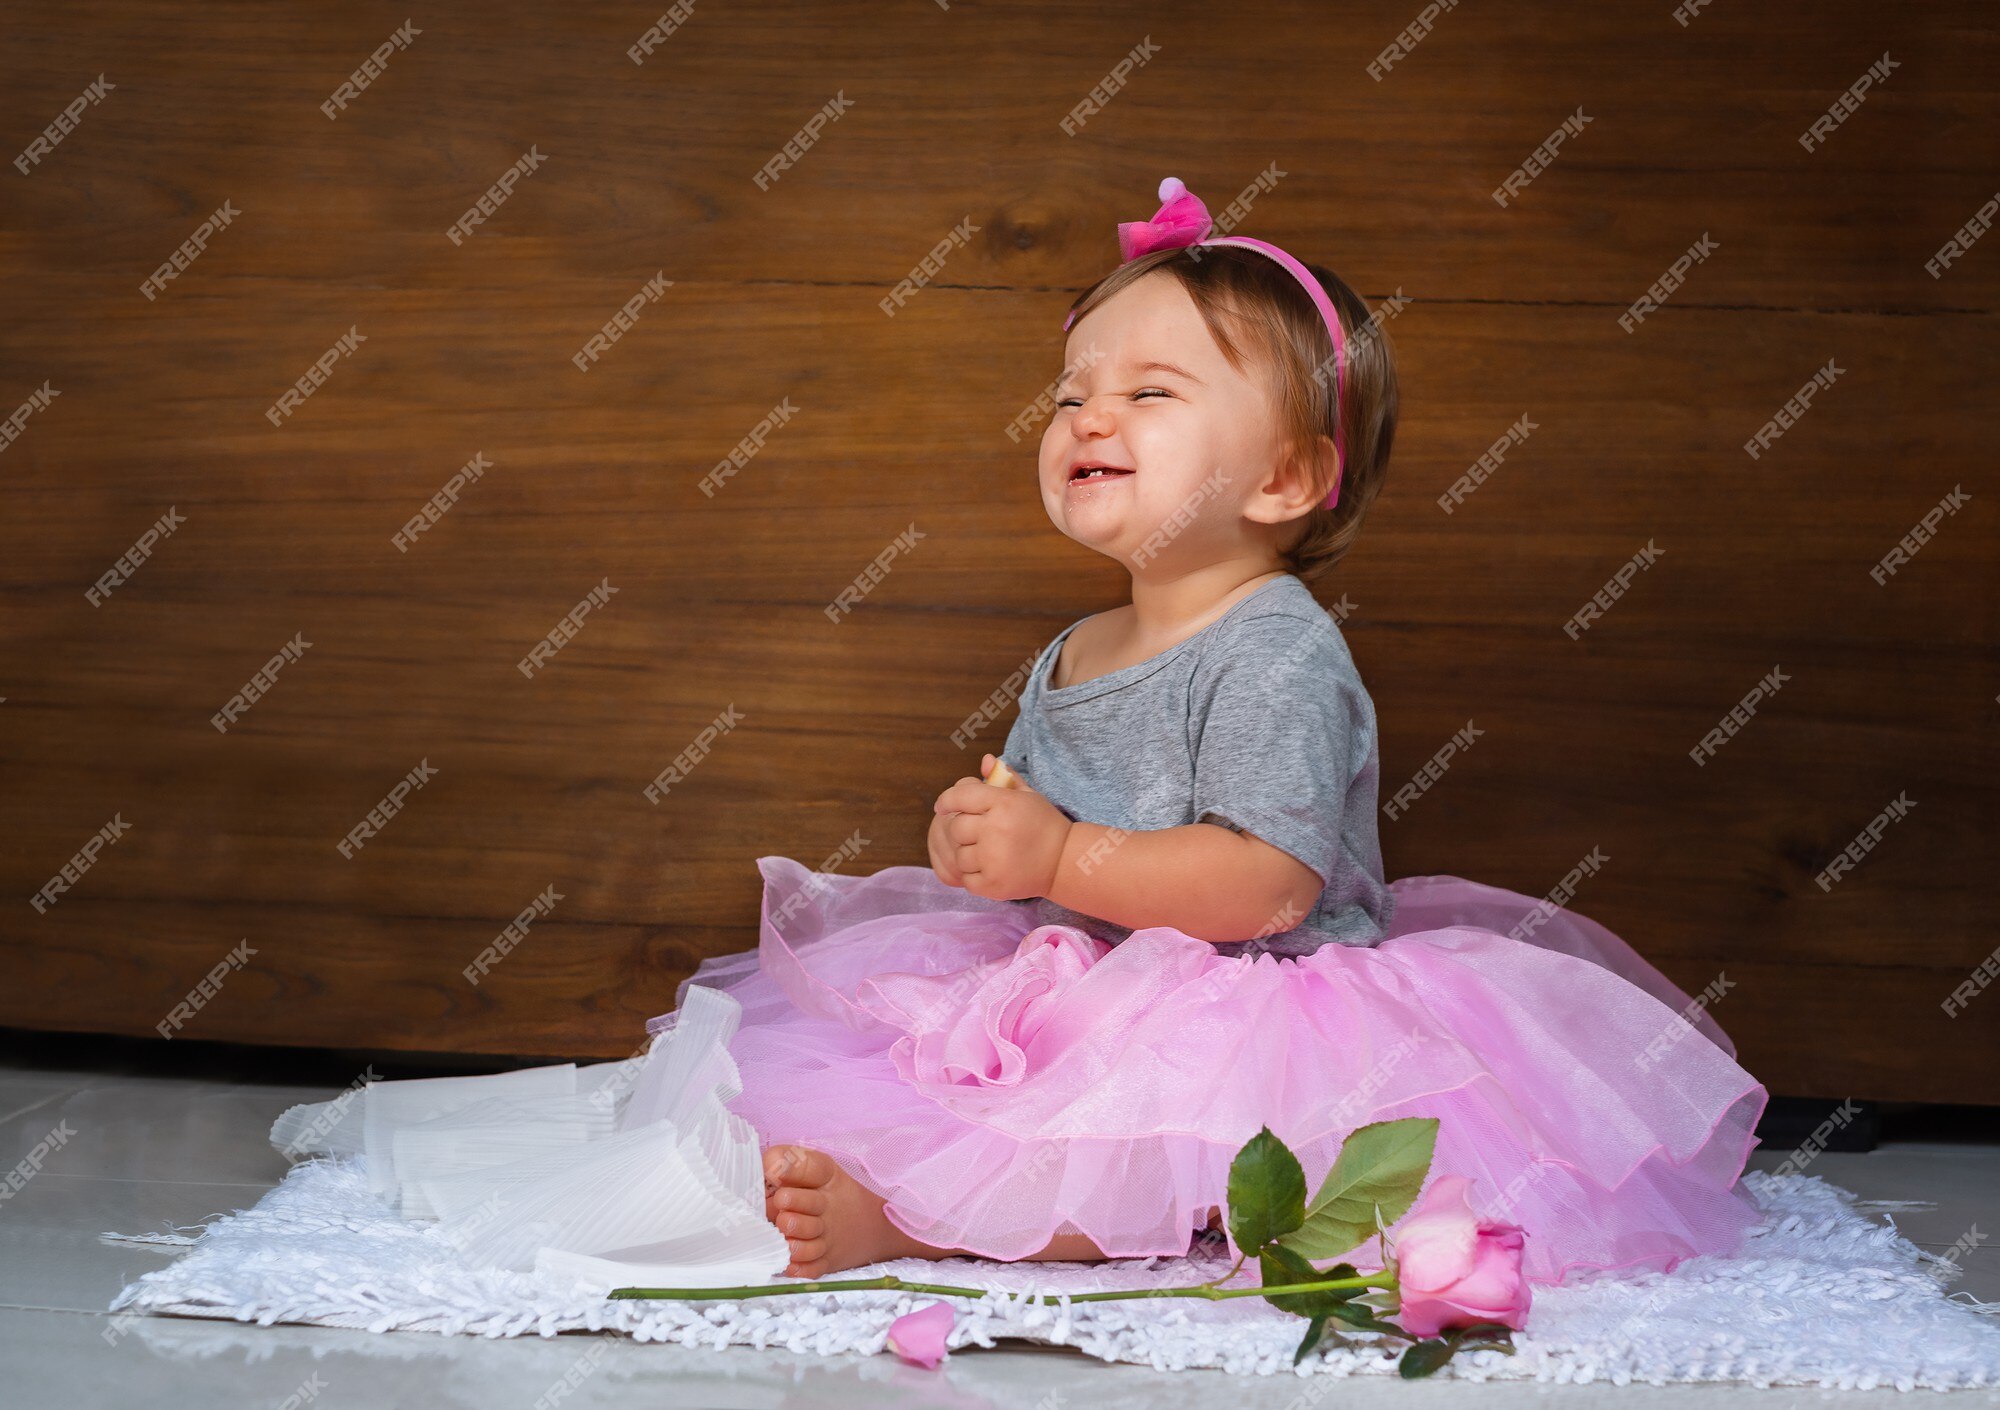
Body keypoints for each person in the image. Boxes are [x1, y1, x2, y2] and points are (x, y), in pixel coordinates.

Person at [676, 177, 1768, 1283]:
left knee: (1189, 1177)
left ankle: (917, 1224)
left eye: (1149, 391)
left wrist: (1056, 853)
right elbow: (1038, 816)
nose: (1088, 418)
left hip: (1256, 1005)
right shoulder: (1077, 647)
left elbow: (1264, 888)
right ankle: (924, 1179)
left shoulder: (1274, 649)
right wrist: (993, 844)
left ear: (1285, 476)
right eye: (1069, 397)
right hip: (1081, 983)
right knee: (954, 1082)